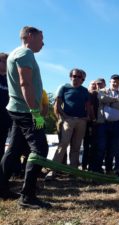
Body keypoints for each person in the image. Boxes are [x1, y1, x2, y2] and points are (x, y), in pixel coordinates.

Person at [0, 26, 51, 209]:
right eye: (41, 38)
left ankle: (2, 188)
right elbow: (25, 83)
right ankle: (27, 197)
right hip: (26, 111)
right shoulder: (25, 53)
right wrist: (35, 112)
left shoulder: (16, 53)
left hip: (17, 109)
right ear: (30, 36)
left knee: (14, 149)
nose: (43, 43)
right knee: (40, 150)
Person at [45, 68, 90, 180]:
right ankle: (52, 170)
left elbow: (88, 106)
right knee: (63, 144)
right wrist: (63, 117)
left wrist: (87, 117)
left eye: (79, 77)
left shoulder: (84, 91)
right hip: (68, 119)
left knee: (76, 146)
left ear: (83, 79)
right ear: (71, 77)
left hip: (81, 121)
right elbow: (57, 104)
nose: (77, 78)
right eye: (74, 76)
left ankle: (73, 171)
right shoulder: (64, 87)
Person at [0, 53, 12, 161]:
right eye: (3, 61)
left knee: (2, 143)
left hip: (5, 118)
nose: (5, 64)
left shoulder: (10, 80)